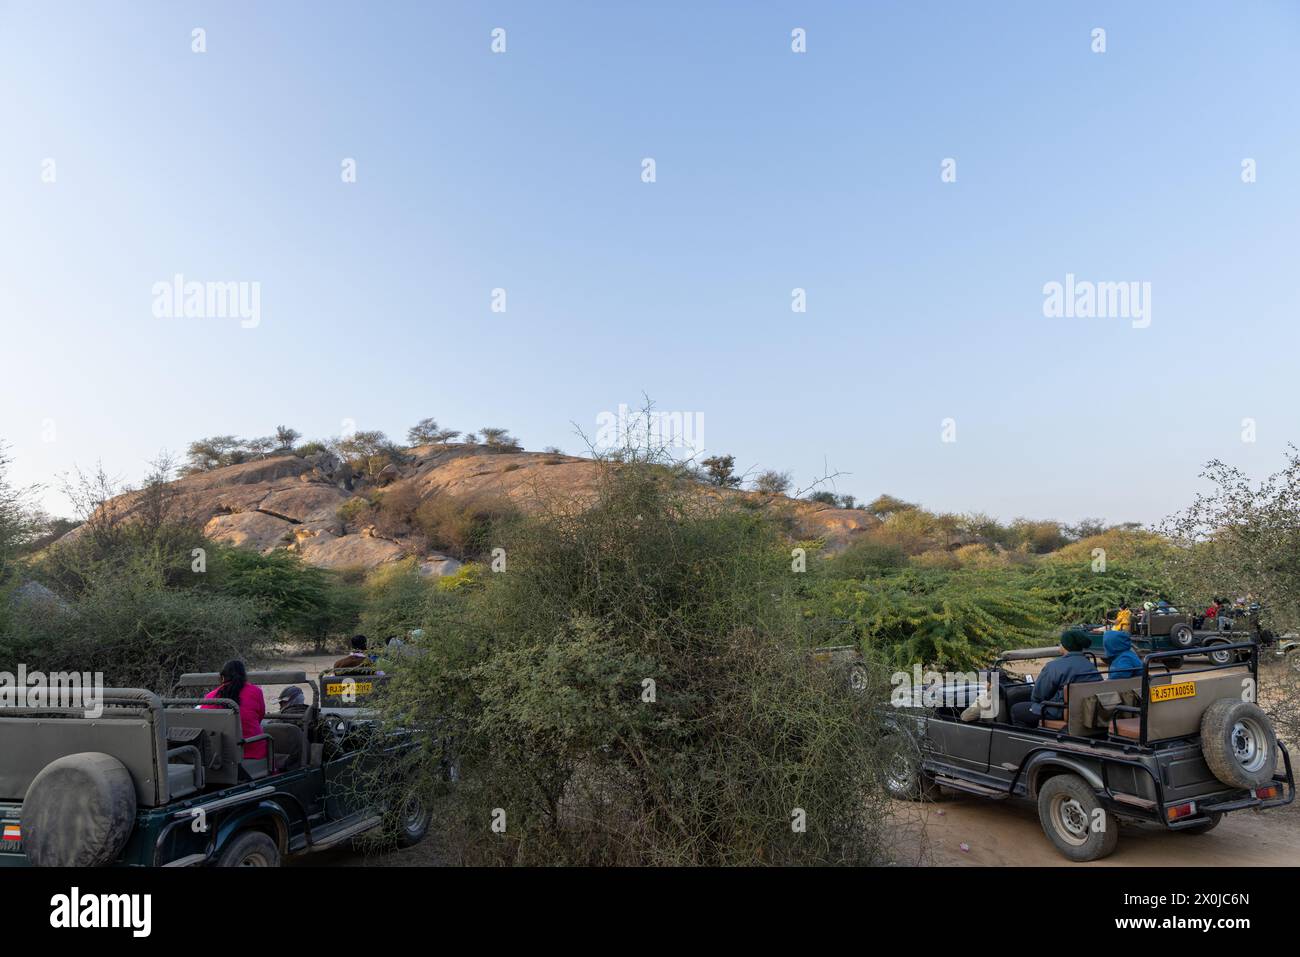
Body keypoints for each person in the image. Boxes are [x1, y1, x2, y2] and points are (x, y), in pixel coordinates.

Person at [1011, 628, 1101, 727]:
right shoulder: (1089, 664)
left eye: (1061, 643)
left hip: (1059, 711)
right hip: (1086, 709)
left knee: (1017, 709)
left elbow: (1038, 696)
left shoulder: (1054, 666)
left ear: (1065, 646)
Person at [203, 659, 267, 763]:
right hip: (252, 749)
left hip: (219, 752)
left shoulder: (210, 696)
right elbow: (260, 716)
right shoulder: (256, 691)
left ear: (223, 676)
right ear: (243, 675)